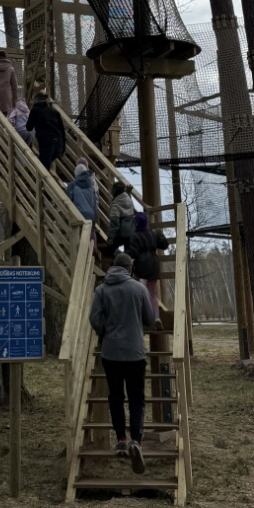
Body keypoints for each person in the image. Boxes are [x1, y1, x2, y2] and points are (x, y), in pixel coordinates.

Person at [88, 252, 159, 473]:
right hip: (135, 352)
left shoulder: (102, 290)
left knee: (116, 397)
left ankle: (120, 439)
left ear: (113, 268)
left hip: (111, 353)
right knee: (137, 399)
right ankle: (136, 441)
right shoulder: (139, 289)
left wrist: (106, 331)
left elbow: (94, 318)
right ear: (129, 268)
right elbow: (148, 318)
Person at [125, 211, 170, 315]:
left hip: (140, 264)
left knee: (134, 287)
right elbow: (164, 245)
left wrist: (123, 253)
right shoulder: (153, 234)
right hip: (154, 264)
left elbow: (134, 253)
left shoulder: (135, 236)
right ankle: (156, 318)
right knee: (152, 294)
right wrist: (160, 234)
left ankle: (137, 314)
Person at [65, 159, 99, 254]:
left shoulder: (72, 185)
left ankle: (80, 252)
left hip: (79, 213)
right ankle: (93, 249)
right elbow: (95, 200)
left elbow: (68, 198)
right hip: (91, 214)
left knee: (78, 232)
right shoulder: (91, 186)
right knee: (91, 231)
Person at [25, 91, 65, 171]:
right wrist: (63, 147)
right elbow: (62, 129)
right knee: (45, 166)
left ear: (35, 100)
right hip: (59, 143)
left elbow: (29, 127)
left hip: (47, 143)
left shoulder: (35, 111)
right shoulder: (54, 112)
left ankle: (42, 182)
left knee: (43, 169)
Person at [106, 180, 135, 252]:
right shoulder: (128, 200)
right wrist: (128, 192)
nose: (111, 191)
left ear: (115, 191)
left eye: (112, 189)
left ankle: (115, 260)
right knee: (128, 254)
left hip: (121, 234)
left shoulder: (116, 205)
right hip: (132, 232)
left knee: (110, 250)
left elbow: (114, 223)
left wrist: (110, 237)